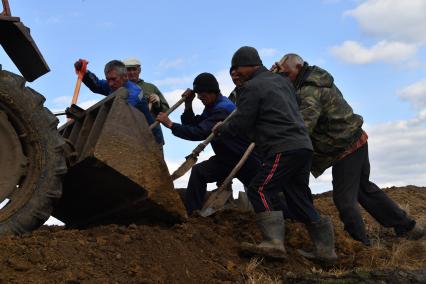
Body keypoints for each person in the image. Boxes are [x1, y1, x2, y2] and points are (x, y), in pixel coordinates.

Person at [272, 53, 424, 245]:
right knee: (364, 190)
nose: (284, 78)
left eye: (286, 74)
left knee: (344, 200)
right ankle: (408, 227)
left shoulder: (310, 91)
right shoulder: (308, 82)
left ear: (298, 68)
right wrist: (274, 76)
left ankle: (360, 244)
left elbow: (303, 127)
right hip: (354, 140)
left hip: (347, 147)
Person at [214, 46, 337, 262]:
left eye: (237, 69)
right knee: (298, 197)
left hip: (283, 147)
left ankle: (273, 243)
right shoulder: (282, 81)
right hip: (303, 146)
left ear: (249, 65)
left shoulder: (252, 87)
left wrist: (221, 129)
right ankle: (325, 251)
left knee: (259, 189)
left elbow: (242, 121)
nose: (235, 74)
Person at [156, 72, 260, 215]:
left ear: (213, 92)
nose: (199, 97)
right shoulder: (212, 106)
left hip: (243, 159)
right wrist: (188, 104)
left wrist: (171, 125)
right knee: (199, 172)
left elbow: (199, 132)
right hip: (227, 158)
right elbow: (193, 124)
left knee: (260, 192)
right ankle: (192, 215)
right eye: (198, 94)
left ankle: (289, 218)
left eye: (202, 94)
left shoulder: (223, 109)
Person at [74, 59, 163, 145]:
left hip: (150, 138)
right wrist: (84, 72)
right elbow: (96, 85)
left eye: (113, 79)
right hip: (131, 135)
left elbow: (118, 114)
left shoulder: (134, 93)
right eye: (108, 79)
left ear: (125, 77)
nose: (110, 84)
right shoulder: (113, 84)